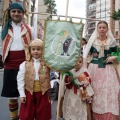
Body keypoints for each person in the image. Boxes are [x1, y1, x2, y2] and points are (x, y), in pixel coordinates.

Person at [1, 2, 35, 120]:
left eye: (19, 11)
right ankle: (14, 118)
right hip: (10, 65)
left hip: (25, 65)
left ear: (23, 14)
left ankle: (25, 117)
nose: (16, 13)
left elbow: (34, 45)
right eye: (14, 11)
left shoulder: (30, 29)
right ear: (10, 13)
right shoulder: (3, 29)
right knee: (13, 96)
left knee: (26, 94)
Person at [83, 21, 119, 120]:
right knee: (95, 90)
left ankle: (108, 115)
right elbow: (86, 56)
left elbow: (118, 54)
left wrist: (114, 57)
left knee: (108, 91)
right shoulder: (92, 41)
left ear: (107, 29)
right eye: (100, 27)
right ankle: (94, 115)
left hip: (108, 69)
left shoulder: (112, 41)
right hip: (94, 69)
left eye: (104, 27)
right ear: (97, 29)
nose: (102, 29)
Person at [17, 39, 51, 120]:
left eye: (38, 49)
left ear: (42, 50)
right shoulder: (24, 64)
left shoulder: (48, 64)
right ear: (30, 50)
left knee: (43, 115)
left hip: (43, 93)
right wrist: (22, 94)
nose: (35, 51)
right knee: (27, 116)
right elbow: (20, 79)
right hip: (29, 93)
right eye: (33, 49)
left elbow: (57, 70)